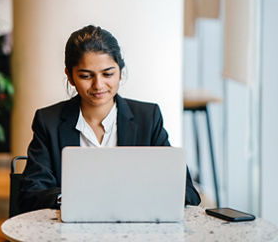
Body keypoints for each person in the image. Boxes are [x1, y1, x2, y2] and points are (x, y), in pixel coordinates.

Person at [19, 25, 201, 213]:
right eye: (86, 76)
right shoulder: (49, 121)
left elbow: (187, 193)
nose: (98, 85)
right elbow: (31, 193)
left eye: (108, 74)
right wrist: (71, 200)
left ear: (120, 71)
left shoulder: (148, 117)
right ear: (70, 76)